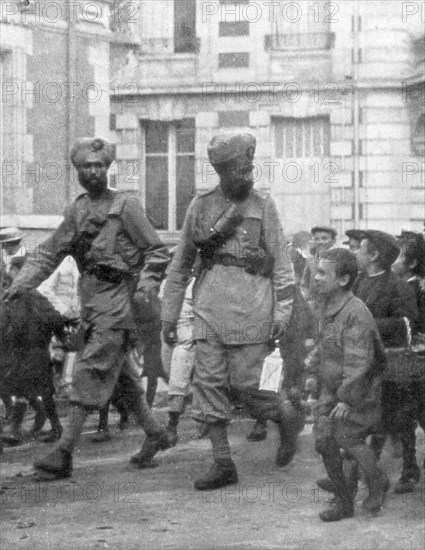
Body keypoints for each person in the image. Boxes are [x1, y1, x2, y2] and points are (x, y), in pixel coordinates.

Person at [3, 137, 172, 479]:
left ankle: (63, 453)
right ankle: (156, 434)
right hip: (92, 304)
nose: (93, 172)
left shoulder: (126, 206)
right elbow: (50, 252)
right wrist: (21, 284)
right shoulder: (78, 211)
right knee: (123, 382)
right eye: (86, 167)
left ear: (108, 169)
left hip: (119, 304)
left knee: (87, 373)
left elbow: (157, 251)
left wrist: (146, 286)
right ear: (78, 171)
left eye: (99, 166)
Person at [161, 133, 300, 491]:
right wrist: (170, 314)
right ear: (221, 169)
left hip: (254, 310)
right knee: (207, 386)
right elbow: (180, 266)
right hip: (208, 310)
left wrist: (282, 314)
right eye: (240, 168)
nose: (248, 173)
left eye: (250, 165)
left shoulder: (263, 205)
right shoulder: (201, 206)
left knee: (248, 389)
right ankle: (223, 463)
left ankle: (285, 416)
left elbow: (283, 267)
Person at [308, 248, 389, 521]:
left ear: (343, 280)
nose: (316, 278)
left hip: (359, 391)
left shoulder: (356, 313)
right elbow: (328, 345)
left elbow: (359, 363)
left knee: (346, 437)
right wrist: (313, 359)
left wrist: (346, 399)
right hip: (333, 388)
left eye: (322, 273)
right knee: (322, 441)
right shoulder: (328, 306)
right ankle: (347, 490)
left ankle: (363, 488)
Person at [353, 230, 419, 493]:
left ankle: (410, 470)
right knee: (370, 416)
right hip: (365, 361)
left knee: (402, 418)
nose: (356, 252)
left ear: (374, 255)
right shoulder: (358, 282)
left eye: (360, 249)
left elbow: (406, 325)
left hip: (394, 363)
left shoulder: (397, 286)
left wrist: (366, 325)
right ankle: (366, 471)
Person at [1, 256, 67, 444]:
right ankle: (49, 426)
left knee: (34, 390)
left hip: (32, 351)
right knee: (32, 390)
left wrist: (60, 346)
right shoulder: (26, 295)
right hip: (27, 351)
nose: (9, 274)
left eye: (12, 270)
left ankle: (20, 428)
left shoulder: (26, 296)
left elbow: (55, 319)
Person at [300, 225, 337, 304]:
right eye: (317, 239)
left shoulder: (339, 259)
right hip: (314, 305)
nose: (320, 242)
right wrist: (307, 300)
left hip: (333, 304)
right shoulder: (311, 260)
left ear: (333, 240)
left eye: (324, 238)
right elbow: (304, 284)